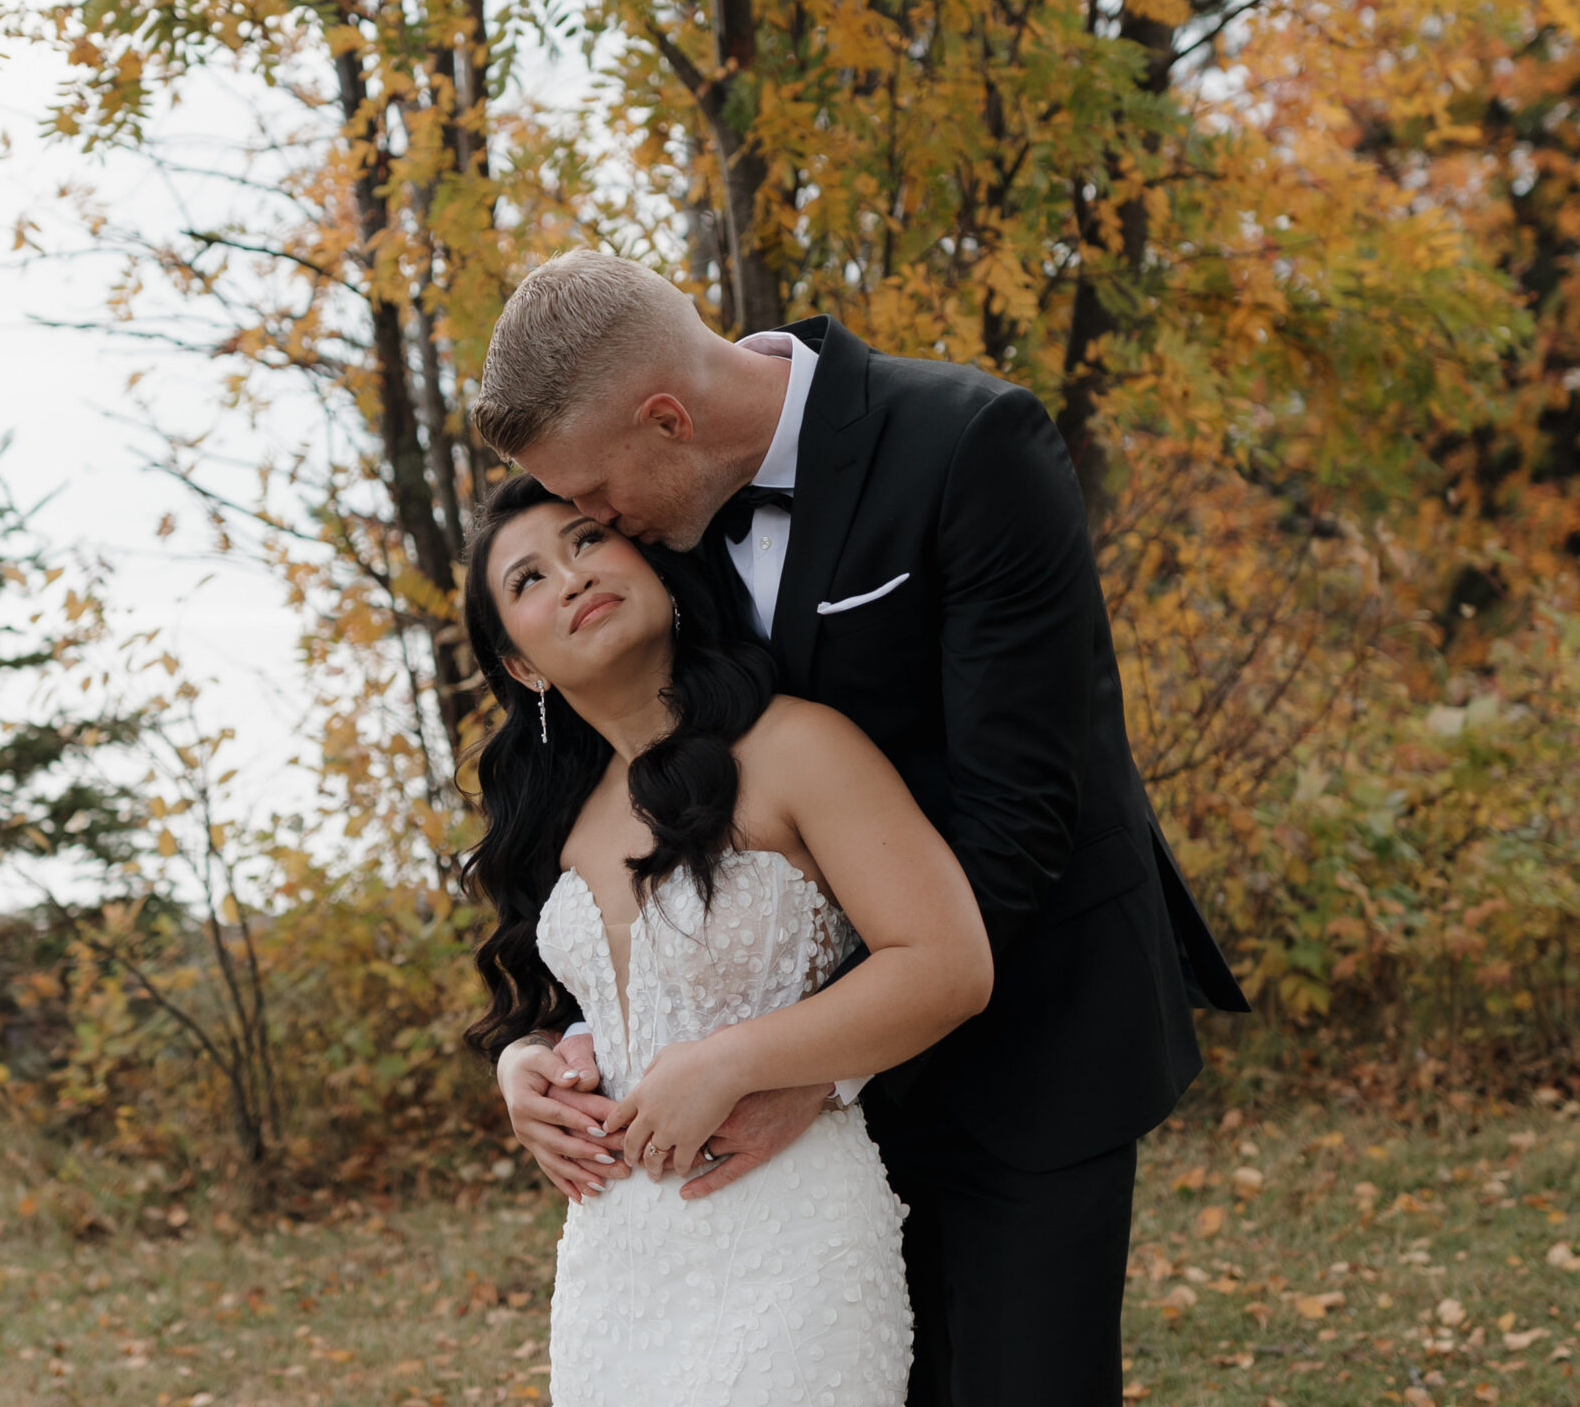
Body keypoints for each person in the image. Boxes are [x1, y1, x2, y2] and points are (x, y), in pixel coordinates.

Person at [476, 251, 1248, 1407]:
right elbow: (656, 846)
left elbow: (1021, 810)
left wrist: (824, 1059)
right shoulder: (666, 523)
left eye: (590, 500)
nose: (590, 527)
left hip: (1029, 1029)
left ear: (667, 418)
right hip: (783, 1112)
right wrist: (543, 1053)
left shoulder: (969, 444)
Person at [462, 472, 994, 1406]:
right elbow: (597, 1017)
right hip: (615, 1265)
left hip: (790, 1238)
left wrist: (730, 1062)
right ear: (523, 667)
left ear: (657, 569)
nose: (573, 576)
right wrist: (525, 1071)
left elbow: (946, 964)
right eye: (529, 579)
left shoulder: (797, 748)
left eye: (587, 540)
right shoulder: (556, 825)